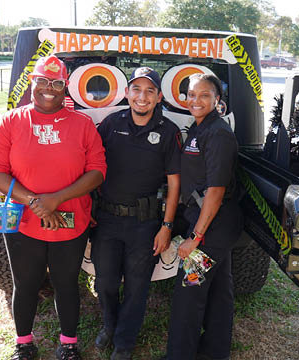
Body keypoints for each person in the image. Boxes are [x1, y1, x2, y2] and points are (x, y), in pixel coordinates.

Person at [0, 55, 106, 360]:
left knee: (66, 283)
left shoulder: (82, 124)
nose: (48, 88)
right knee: (25, 283)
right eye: (42, 80)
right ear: (32, 83)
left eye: (57, 83)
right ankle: (24, 343)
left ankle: (68, 344)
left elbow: (97, 169)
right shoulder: (11, 121)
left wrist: (57, 199)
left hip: (70, 219)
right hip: (25, 221)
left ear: (65, 88)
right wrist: (36, 202)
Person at [91, 67, 181, 360]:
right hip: (107, 219)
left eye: (149, 91)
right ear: (127, 92)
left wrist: (167, 225)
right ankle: (110, 325)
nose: (142, 97)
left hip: (146, 222)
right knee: (104, 281)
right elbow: (91, 165)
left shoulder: (168, 132)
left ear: (158, 97)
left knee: (137, 286)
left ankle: (124, 343)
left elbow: (174, 182)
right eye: (136, 90)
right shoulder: (109, 124)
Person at [164, 73, 243, 360]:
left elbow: (216, 191)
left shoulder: (218, 134)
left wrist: (195, 238)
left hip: (212, 228)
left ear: (217, 100)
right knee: (220, 291)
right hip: (213, 227)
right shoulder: (199, 129)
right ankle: (216, 352)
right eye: (192, 95)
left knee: (189, 293)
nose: (197, 100)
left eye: (205, 95)